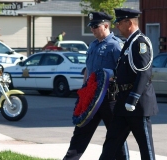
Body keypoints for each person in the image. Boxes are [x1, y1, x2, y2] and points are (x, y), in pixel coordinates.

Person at [63, 11, 129, 160]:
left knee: (115, 135)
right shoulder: (92, 45)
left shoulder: (116, 45)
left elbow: (124, 71)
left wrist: (110, 76)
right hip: (91, 98)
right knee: (80, 133)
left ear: (106, 25)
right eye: (90, 26)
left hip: (109, 98)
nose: (92, 29)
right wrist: (83, 90)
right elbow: (88, 69)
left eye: (95, 26)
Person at [99, 8, 158, 160]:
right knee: (111, 144)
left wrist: (133, 98)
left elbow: (144, 72)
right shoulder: (129, 42)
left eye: (119, 22)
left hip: (137, 104)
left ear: (129, 23)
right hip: (122, 102)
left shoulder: (140, 42)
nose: (116, 26)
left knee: (145, 147)